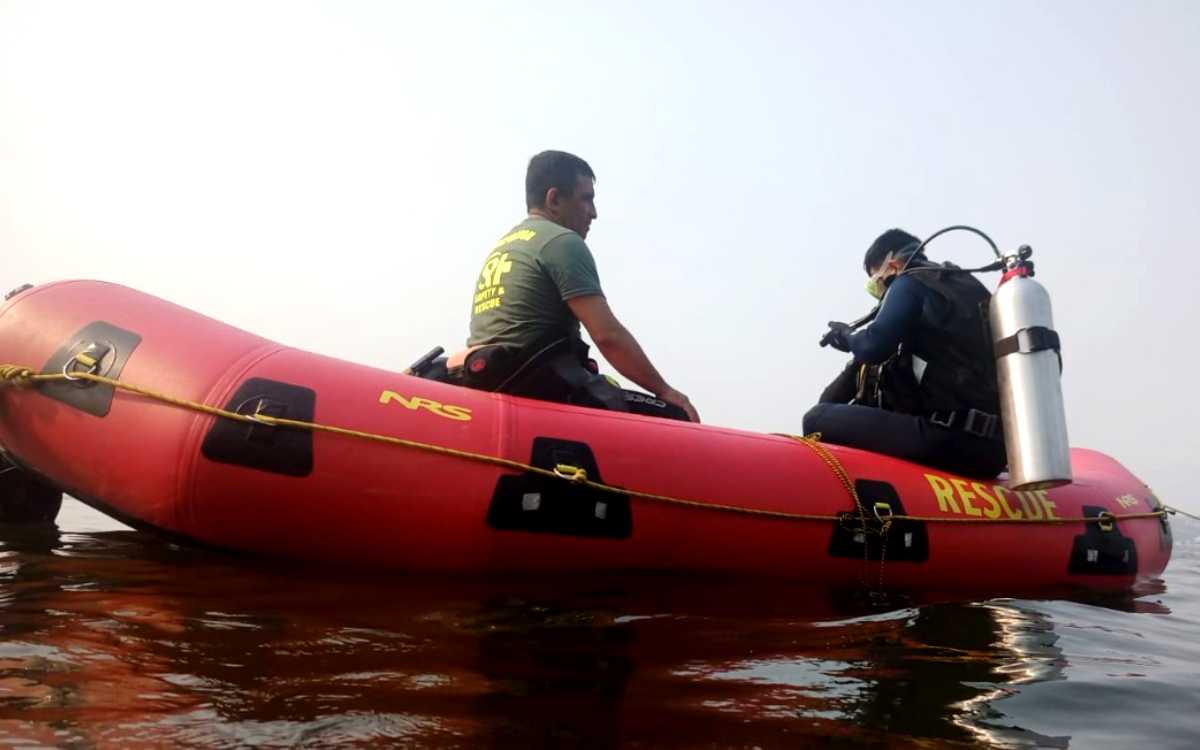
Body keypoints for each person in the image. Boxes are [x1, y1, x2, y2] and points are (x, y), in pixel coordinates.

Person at [459, 150, 699, 422]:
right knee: (676, 415)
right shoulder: (561, 241)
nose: (593, 213)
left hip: (491, 379)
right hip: (536, 382)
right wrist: (666, 391)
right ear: (555, 199)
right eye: (586, 199)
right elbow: (608, 336)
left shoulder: (506, 244)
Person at [803, 228, 1006, 477]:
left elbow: (872, 347)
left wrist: (847, 336)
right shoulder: (967, 290)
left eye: (874, 278)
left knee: (815, 419)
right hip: (996, 454)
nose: (878, 288)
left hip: (949, 441)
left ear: (891, 263)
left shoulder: (910, 281)